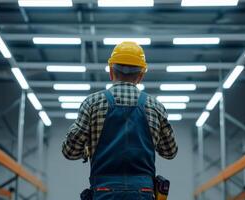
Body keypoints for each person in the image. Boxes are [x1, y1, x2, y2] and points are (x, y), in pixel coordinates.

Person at [62, 41, 178, 200]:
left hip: (103, 192)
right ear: (141, 75)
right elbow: (170, 152)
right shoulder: (155, 107)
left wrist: (88, 149)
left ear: (111, 71)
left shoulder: (92, 103)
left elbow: (70, 151)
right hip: (143, 192)